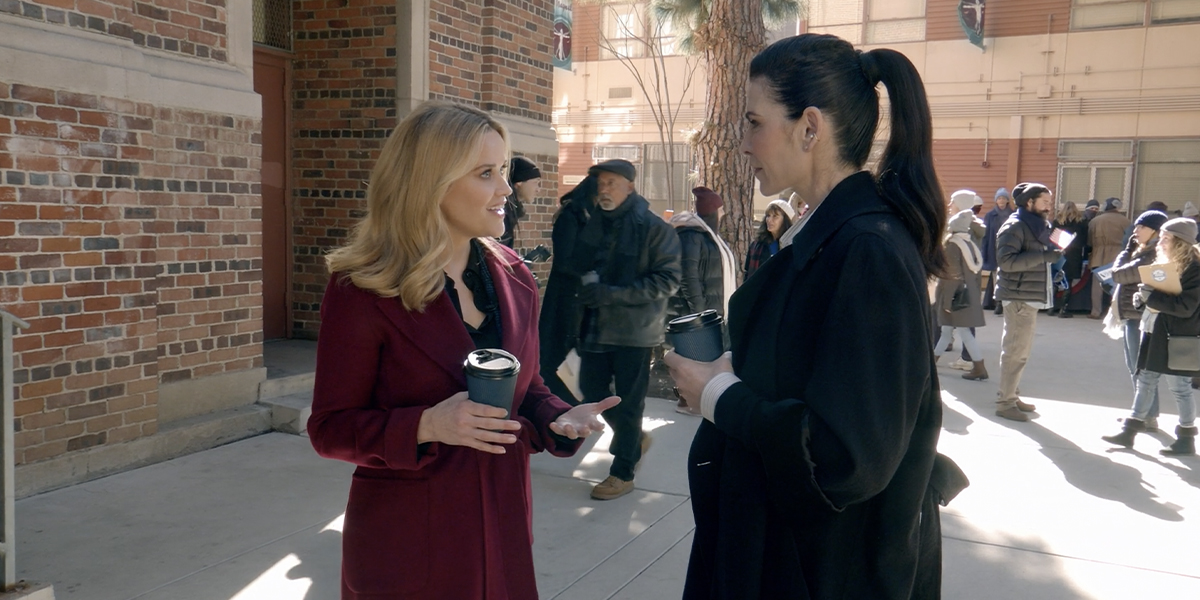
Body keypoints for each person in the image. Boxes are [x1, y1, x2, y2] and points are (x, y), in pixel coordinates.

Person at [664, 35, 948, 599]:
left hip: (820, 571)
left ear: (810, 127)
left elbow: (845, 455)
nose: (743, 142)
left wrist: (719, 396)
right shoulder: (832, 236)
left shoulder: (866, 249)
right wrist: (731, 372)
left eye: (753, 122)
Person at [307, 101, 618, 599]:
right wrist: (427, 425)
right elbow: (329, 429)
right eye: (485, 173)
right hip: (407, 548)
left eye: (503, 171)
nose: (504, 189)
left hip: (503, 531)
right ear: (431, 182)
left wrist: (560, 415)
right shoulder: (362, 288)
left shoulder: (516, 276)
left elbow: (527, 387)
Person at [574, 158, 681, 500]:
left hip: (635, 331)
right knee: (590, 389)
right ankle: (633, 440)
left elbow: (668, 280)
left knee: (629, 402)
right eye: (600, 183)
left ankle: (622, 472)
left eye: (611, 183)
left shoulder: (654, 228)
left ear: (630, 187)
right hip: (597, 326)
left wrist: (612, 294)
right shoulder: (595, 224)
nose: (604, 190)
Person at [1102, 217, 1200, 456]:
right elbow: (1156, 296)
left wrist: (1151, 299)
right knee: (1146, 379)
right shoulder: (1166, 262)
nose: (1161, 242)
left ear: (1181, 242)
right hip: (1156, 330)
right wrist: (1141, 300)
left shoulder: (1195, 270)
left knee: (1180, 387)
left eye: (1166, 238)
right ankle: (1129, 431)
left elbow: (1186, 307)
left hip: (1178, 336)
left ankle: (1186, 438)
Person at [994, 182, 1062, 422]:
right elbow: (1006, 262)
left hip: (1028, 295)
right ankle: (1005, 402)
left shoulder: (1039, 225)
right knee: (1015, 352)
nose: (1048, 207)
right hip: (1018, 297)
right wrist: (1044, 256)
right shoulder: (1014, 226)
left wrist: (1058, 245)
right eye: (1045, 202)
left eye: (1049, 203)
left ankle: (1012, 394)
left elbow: (1049, 247)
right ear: (1029, 202)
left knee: (1020, 352)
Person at [668, 187, 738, 415]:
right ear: (713, 212)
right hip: (699, 314)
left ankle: (692, 402)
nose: (724, 214)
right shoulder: (691, 237)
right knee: (696, 360)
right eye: (721, 210)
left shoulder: (707, 236)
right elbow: (688, 277)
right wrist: (701, 314)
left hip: (712, 310)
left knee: (706, 360)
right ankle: (687, 402)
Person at [538, 175, 598, 405]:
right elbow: (564, 260)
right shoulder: (570, 215)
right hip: (566, 294)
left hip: (583, 294)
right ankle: (557, 399)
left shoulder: (593, 216)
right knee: (560, 346)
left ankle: (574, 397)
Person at [1109, 209, 1168, 431]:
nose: (1135, 231)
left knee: (1140, 367)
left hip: (1139, 317)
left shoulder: (1152, 255)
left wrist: (1126, 250)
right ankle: (1144, 414)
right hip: (1132, 315)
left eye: (1141, 227)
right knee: (1137, 366)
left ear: (1155, 231)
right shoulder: (1144, 250)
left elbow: (1119, 274)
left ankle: (1146, 416)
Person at [935, 210, 988, 380]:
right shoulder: (970, 243)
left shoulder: (952, 245)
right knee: (947, 332)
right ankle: (931, 363)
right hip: (967, 294)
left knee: (963, 333)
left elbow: (953, 275)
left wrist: (946, 302)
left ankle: (979, 367)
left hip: (954, 297)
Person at [1088, 197, 1132, 318]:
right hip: (1119, 255)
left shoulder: (1095, 221)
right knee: (1117, 285)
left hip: (1099, 255)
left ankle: (1095, 312)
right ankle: (1115, 312)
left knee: (1097, 286)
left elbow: (1090, 241)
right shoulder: (1126, 221)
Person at [1050, 200, 1088, 317]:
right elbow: (1084, 241)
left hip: (1059, 254)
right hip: (1074, 255)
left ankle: (1051, 308)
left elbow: (1051, 239)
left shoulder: (1057, 221)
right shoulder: (1081, 222)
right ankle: (1063, 309)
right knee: (1068, 282)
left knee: (1056, 281)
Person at [744, 198, 794, 279]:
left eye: (775, 216)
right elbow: (747, 273)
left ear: (785, 220)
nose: (770, 220)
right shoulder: (756, 245)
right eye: (768, 216)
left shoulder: (791, 245)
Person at [982, 188, 1014, 314]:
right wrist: (983, 253)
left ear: (1007, 200)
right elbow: (986, 235)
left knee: (1008, 277)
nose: (1001, 201)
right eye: (999, 198)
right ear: (996, 200)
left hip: (1009, 250)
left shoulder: (1013, 214)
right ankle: (998, 303)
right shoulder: (990, 215)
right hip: (994, 251)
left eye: (1004, 198)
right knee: (997, 277)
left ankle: (1006, 302)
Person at [498, 156, 540, 248]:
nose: (538, 189)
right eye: (535, 183)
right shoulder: (502, 212)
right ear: (519, 182)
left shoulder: (512, 210)